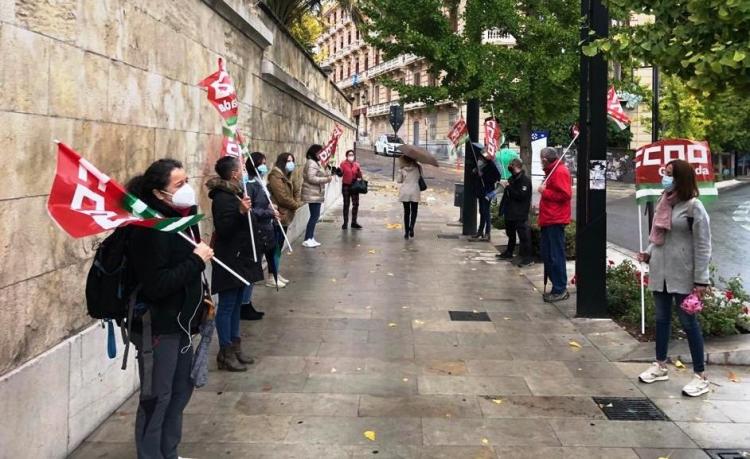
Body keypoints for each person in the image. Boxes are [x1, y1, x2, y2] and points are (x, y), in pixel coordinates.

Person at [126, 158, 214, 459]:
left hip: (183, 325)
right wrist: (196, 260)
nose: (187, 189)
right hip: (159, 329)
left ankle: (169, 452)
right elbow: (156, 285)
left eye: (187, 181)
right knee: (156, 398)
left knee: (179, 394)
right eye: (179, 184)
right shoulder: (149, 228)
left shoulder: (184, 220)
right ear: (159, 192)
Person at [637, 159, 712, 397]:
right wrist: (647, 254)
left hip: (684, 275)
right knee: (661, 320)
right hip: (660, 272)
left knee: (689, 324)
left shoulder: (693, 207)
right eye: (664, 173)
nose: (665, 178)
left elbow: (703, 246)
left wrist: (701, 280)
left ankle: (700, 376)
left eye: (669, 174)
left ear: (681, 178)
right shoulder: (663, 202)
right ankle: (660, 365)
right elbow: (657, 237)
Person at [206, 156, 264, 371]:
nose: (243, 171)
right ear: (233, 174)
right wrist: (240, 213)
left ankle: (235, 346)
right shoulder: (222, 198)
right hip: (230, 259)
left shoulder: (236, 193)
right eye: (240, 169)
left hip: (242, 258)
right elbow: (224, 229)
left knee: (237, 304)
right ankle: (225, 351)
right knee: (227, 305)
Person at [537, 147, 572, 302]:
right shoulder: (553, 171)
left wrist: (545, 192)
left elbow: (565, 194)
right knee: (548, 254)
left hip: (555, 219)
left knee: (555, 255)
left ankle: (560, 288)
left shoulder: (559, 171)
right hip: (549, 218)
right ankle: (556, 287)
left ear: (545, 159)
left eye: (541, 159)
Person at [246, 152, 283, 289]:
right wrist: (269, 212)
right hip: (259, 229)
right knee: (255, 264)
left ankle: (274, 275)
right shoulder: (249, 184)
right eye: (261, 163)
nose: (264, 166)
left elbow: (261, 203)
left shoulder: (260, 181)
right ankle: (246, 301)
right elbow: (251, 209)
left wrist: (270, 207)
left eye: (265, 163)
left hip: (267, 227)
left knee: (272, 252)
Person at [267, 152, 303, 284]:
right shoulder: (275, 177)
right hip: (278, 216)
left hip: (286, 215)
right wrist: (296, 205)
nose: (291, 163)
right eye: (288, 161)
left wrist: (296, 202)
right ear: (282, 162)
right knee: (275, 246)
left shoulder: (288, 176)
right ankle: (272, 275)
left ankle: (276, 272)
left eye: (292, 160)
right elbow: (282, 197)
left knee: (279, 246)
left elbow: (297, 190)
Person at [497, 158, 533, 266]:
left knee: (523, 236)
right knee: (510, 233)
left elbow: (521, 196)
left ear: (517, 165)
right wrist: (501, 208)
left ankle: (527, 257)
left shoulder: (524, 180)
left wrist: (509, 187)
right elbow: (506, 196)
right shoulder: (511, 178)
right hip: (510, 212)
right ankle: (509, 252)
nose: (509, 166)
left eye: (511, 164)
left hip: (519, 212)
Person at [301, 144, 332, 248]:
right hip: (312, 194)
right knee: (314, 216)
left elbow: (321, 174)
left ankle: (310, 237)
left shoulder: (316, 163)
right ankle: (307, 239)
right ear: (314, 152)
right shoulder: (311, 163)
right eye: (319, 152)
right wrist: (326, 180)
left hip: (316, 194)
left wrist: (326, 168)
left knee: (315, 216)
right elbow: (311, 178)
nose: (321, 154)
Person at [470, 144, 500, 242]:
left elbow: (496, 177)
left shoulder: (491, 163)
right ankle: (480, 231)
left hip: (488, 190)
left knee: (485, 211)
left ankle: (487, 233)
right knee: (482, 211)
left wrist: (483, 176)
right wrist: (475, 172)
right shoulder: (480, 160)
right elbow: (475, 173)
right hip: (480, 190)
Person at [397, 155, 422, 239]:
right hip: (415, 190)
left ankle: (406, 232)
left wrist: (400, 171)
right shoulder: (418, 167)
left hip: (405, 192)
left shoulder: (403, 169)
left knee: (406, 212)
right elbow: (420, 177)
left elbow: (399, 180)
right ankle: (411, 227)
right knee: (414, 211)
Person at [340, 149, 363, 230]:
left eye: (352, 155)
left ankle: (354, 222)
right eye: (349, 155)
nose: (351, 156)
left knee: (356, 204)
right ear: (346, 156)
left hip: (354, 186)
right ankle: (345, 223)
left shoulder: (357, 164)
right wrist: (338, 172)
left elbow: (360, 176)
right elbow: (340, 174)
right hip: (346, 185)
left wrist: (359, 175)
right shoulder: (343, 164)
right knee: (346, 204)